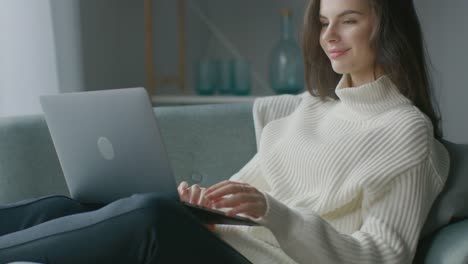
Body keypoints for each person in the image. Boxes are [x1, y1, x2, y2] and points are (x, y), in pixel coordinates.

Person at [0, 0, 450, 263]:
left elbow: (383, 256)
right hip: (231, 245)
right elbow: (248, 191)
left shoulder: (405, 132)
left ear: (386, 26)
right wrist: (206, 205)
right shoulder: (310, 109)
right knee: (66, 205)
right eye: (323, 20)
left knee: (151, 216)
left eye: (348, 19)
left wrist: (279, 216)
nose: (328, 35)